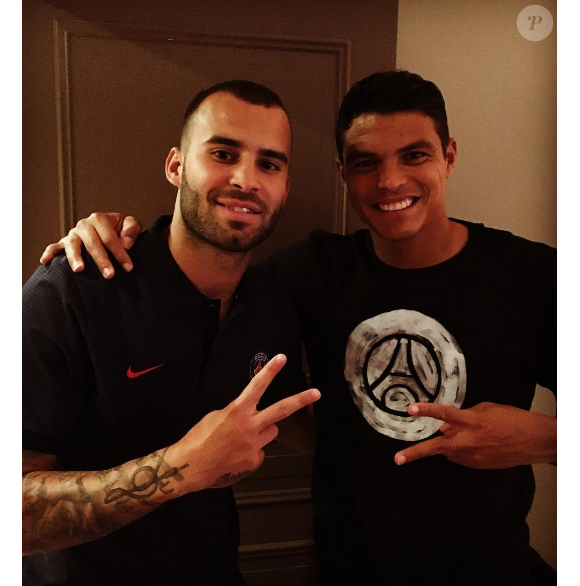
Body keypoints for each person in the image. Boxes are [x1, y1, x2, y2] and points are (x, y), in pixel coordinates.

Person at [38, 70, 557, 585]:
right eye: (365, 163)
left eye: (415, 155)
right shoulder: (306, 274)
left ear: (449, 156)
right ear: (342, 173)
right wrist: (98, 229)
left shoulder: (531, 276)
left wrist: (543, 439)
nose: (391, 180)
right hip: (347, 568)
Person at [22, 79, 322, 586]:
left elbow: (299, 426)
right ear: (177, 166)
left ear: (285, 188)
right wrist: (180, 468)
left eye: (269, 164)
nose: (246, 179)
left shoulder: (272, 308)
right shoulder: (75, 290)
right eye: (223, 153)